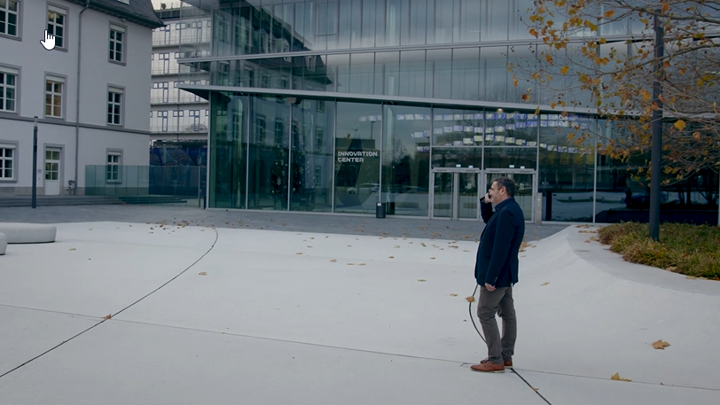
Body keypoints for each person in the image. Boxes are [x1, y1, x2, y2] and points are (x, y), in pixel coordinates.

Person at [470, 177, 526, 373]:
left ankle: (496, 358)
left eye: (492, 189)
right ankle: (506, 355)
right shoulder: (507, 210)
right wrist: (485, 202)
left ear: (503, 190)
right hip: (505, 273)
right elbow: (489, 222)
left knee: (485, 312)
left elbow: (501, 248)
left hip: (498, 275)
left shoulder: (508, 213)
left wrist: (491, 277)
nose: (490, 192)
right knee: (507, 313)